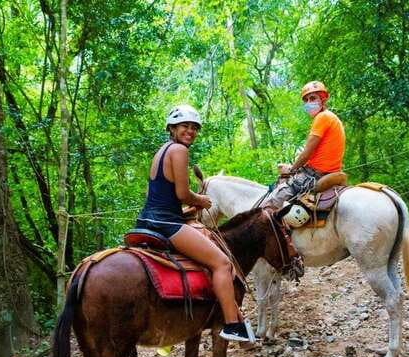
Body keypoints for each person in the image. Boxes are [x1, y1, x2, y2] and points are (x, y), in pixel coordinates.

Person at [135, 104, 256, 342]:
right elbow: (182, 192)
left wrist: (190, 207)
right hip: (166, 224)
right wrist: (201, 200)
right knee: (222, 263)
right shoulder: (179, 151)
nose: (190, 131)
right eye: (184, 126)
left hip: (148, 219)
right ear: (172, 128)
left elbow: (165, 195)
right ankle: (233, 325)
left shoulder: (162, 151)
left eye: (193, 128)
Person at [267, 81, 346, 207]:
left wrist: (291, 170)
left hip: (315, 175)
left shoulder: (322, 118)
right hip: (329, 172)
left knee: (271, 202)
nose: (309, 103)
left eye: (313, 98)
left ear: (323, 99)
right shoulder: (332, 118)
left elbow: (306, 154)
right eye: (306, 100)